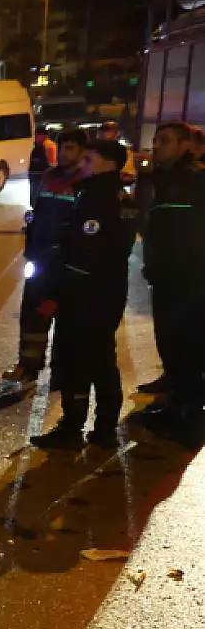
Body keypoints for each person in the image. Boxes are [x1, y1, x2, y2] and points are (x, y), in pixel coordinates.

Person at [31, 140, 140, 450]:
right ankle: (105, 427)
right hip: (110, 290)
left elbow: (83, 255)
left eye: (89, 159)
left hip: (85, 295)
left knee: (76, 360)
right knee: (103, 358)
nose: (83, 163)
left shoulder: (96, 198)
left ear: (108, 163)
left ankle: (72, 427)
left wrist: (57, 295)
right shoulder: (122, 197)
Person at [134, 121, 205, 443]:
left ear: (185, 145)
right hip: (164, 279)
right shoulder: (162, 180)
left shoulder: (196, 181)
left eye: (164, 140)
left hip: (189, 282)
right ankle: (175, 405)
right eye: (155, 140)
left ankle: (190, 417)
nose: (156, 146)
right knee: (169, 345)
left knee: (188, 348)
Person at [5, 127, 85, 382]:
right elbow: (36, 215)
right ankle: (28, 365)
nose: (64, 153)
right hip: (40, 258)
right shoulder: (49, 178)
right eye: (62, 147)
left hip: (66, 262)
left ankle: (61, 373)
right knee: (32, 313)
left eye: (70, 148)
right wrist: (31, 248)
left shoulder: (85, 182)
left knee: (67, 319)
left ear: (83, 151)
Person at [28, 128, 56, 206]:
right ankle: (35, 205)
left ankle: (35, 205)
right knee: (36, 190)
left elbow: (52, 161)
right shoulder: (49, 144)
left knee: (36, 190)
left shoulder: (48, 145)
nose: (36, 136)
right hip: (36, 172)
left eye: (37, 135)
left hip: (41, 172)